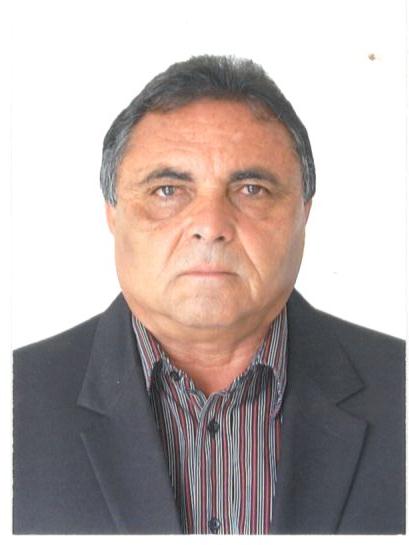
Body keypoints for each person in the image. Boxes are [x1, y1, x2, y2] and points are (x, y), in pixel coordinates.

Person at [13, 55, 405, 535]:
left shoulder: (398, 387)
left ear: (304, 213)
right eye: (168, 190)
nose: (211, 226)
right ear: (112, 214)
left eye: (252, 189)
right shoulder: (16, 396)